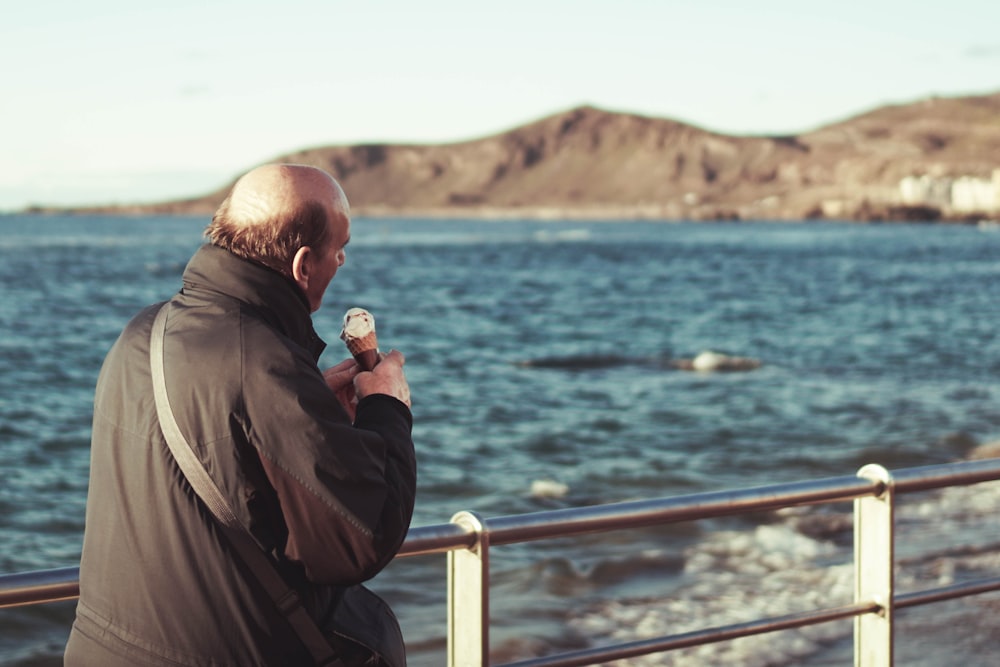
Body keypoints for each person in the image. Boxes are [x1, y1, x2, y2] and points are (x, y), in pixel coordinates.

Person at [65, 164, 417, 666]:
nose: (341, 260)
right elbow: (361, 538)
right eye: (341, 248)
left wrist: (310, 408)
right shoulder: (266, 364)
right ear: (302, 265)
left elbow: (217, 452)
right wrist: (388, 407)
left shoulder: (142, 332)